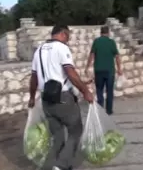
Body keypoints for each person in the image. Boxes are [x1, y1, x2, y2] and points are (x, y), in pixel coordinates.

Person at [28, 24, 94, 170]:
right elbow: (69, 72)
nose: (68, 39)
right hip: (63, 98)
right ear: (63, 34)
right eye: (68, 35)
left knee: (57, 135)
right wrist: (85, 91)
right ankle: (60, 165)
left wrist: (32, 97)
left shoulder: (38, 50)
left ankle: (63, 164)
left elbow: (34, 78)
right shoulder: (61, 48)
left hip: (46, 99)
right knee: (75, 131)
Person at [85, 26, 122, 115]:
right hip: (110, 70)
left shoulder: (96, 42)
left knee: (99, 90)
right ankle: (109, 110)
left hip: (98, 70)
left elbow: (92, 55)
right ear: (108, 33)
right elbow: (117, 56)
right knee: (109, 91)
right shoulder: (111, 42)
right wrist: (119, 68)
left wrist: (87, 67)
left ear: (101, 32)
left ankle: (101, 110)